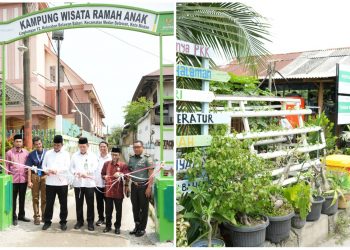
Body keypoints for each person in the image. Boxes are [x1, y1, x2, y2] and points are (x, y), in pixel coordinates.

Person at [41, 135, 70, 231]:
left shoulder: (66, 154)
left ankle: (63, 222)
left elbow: (67, 167)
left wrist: (57, 170)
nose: (56, 146)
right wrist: (46, 170)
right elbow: (43, 166)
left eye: (58, 145)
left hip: (62, 183)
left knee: (63, 203)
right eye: (55, 145)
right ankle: (47, 221)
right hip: (50, 183)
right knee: (49, 203)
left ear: (62, 144)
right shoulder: (48, 153)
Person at [70, 137, 98, 231]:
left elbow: (95, 167)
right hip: (78, 183)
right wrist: (75, 173)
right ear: (78, 146)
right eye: (81, 146)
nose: (82, 148)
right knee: (79, 203)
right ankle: (80, 221)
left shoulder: (93, 156)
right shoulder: (74, 155)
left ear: (88, 146)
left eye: (84, 146)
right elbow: (71, 168)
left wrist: (87, 173)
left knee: (90, 204)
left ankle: (90, 222)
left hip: (89, 183)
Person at [128, 140, 154, 237]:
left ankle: (142, 229)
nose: (136, 149)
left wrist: (149, 188)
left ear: (142, 147)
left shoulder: (147, 159)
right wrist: (128, 184)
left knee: (144, 208)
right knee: (135, 208)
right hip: (134, 186)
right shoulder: (131, 159)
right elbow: (130, 171)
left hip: (144, 186)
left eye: (138, 147)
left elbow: (151, 174)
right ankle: (137, 226)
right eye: (135, 147)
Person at [101, 147, 129, 234]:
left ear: (119, 155)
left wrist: (121, 174)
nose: (114, 156)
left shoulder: (123, 165)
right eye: (112, 154)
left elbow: (127, 175)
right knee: (108, 211)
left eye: (116, 155)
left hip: (118, 192)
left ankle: (117, 227)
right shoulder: (106, 164)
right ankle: (108, 226)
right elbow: (102, 174)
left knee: (118, 211)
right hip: (108, 192)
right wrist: (104, 177)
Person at [6, 134, 30, 225]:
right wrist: (7, 180)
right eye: (17, 141)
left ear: (22, 142)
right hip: (13, 180)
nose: (18, 143)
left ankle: (21, 215)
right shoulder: (9, 153)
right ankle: (13, 217)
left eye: (20, 141)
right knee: (13, 199)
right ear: (14, 142)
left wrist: (29, 179)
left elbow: (28, 167)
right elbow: (6, 167)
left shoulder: (26, 153)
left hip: (23, 180)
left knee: (22, 198)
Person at [26, 136, 47, 225]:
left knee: (44, 198)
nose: (38, 145)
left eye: (39, 143)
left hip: (45, 176)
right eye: (36, 144)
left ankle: (45, 216)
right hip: (35, 177)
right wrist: (29, 181)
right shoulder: (31, 154)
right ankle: (36, 217)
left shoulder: (47, 153)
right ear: (34, 145)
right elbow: (29, 168)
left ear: (41, 143)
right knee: (35, 198)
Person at [95, 141, 112, 226]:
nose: (102, 148)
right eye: (101, 147)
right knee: (99, 203)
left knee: (108, 203)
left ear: (107, 147)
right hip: (98, 184)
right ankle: (101, 218)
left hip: (108, 185)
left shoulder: (111, 158)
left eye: (104, 146)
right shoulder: (96, 158)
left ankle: (108, 220)